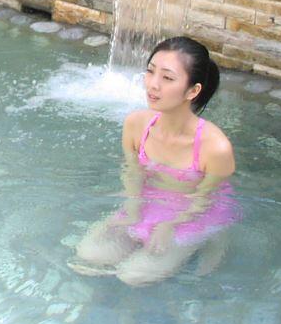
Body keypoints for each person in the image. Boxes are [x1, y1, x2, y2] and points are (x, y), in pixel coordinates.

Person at [74, 36, 239, 286]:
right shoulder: (135, 124)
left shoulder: (215, 147)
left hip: (193, 212)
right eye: (150, 72)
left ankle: (206, 242)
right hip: (147, 202)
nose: (153, 84)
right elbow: (132, 171)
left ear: (193, 91)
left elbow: (206, 197)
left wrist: (171, 225)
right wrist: (131, 210)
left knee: (133, 276)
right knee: (87, 258)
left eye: (167, 78)